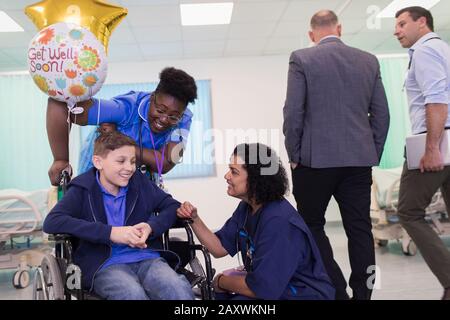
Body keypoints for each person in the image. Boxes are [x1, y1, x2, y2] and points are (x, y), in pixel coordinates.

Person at [283, 10, 390, 300]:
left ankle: (337, 291)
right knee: (360, 230)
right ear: (339, 29)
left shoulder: (302, 58)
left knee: (312, 227)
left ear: (311, 34)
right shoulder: (368, 60)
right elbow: (381, 115)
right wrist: (372, 153)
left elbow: (294, 112)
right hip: (358, 162)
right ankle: (364, 296)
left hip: (313, 163)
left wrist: (294, 154)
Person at [43, 131, 194, 300]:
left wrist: (151, 227)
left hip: (147, 257)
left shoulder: (139, 182)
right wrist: (110, 232)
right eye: (121, 161)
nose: (129, 168)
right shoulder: (82, 189)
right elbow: (52, 221)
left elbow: (171, 205)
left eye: (133, 161)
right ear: (98, 162)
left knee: (177, 289)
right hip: (104, 263)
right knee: (132, 294)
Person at [177, 143, 335, 300]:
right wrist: (194, 219)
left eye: (234, 172)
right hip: (273, 289)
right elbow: (219, 247)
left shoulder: (279, 222)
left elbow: (264, 289)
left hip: (302, 294)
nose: (227, 176)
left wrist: (221, 281)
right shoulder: (246, 208)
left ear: (255, 179)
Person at [47, 67, 197, 188]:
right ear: (152, 97)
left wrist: (121, 143)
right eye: (160, 110)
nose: (164, 119)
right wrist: (60, 159)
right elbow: (59, 104)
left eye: (173, 116)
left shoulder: (184, 118)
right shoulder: (125, 108)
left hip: (137, 177)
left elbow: (165, 164)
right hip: (98, 171)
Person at [394, 6, 450, 300]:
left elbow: (437, 99)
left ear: (422, 22)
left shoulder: (425, 51)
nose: (396, 31)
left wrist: (431, 148)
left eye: (402, 24)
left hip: (435, 143)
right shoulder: (444, 49)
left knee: (409, 212)